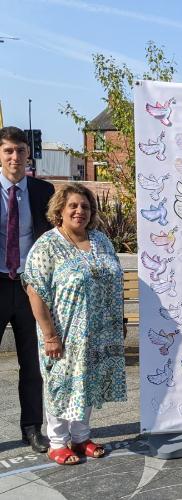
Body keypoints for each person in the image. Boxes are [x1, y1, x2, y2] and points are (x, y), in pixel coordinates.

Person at [23, 183, 127, 465]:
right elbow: (35, 290)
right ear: (60, 210)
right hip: (63, 332)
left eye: (85, 206)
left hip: (99, 331)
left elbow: (113, 281)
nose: (80, 211)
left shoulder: (101, 241)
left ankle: (81, 438)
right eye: (73, 206)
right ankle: (57, 441)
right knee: (60, 383)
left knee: (87, 383)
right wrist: (50, 335)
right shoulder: (48, 245)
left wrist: (119, 321)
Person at [0, 126, 54, 453]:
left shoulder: (43, 191)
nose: (15, 157)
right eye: (8, 151)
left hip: (29, 287)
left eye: (20, 151)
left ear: (27, 154)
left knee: (32, 364)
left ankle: (32, 428)